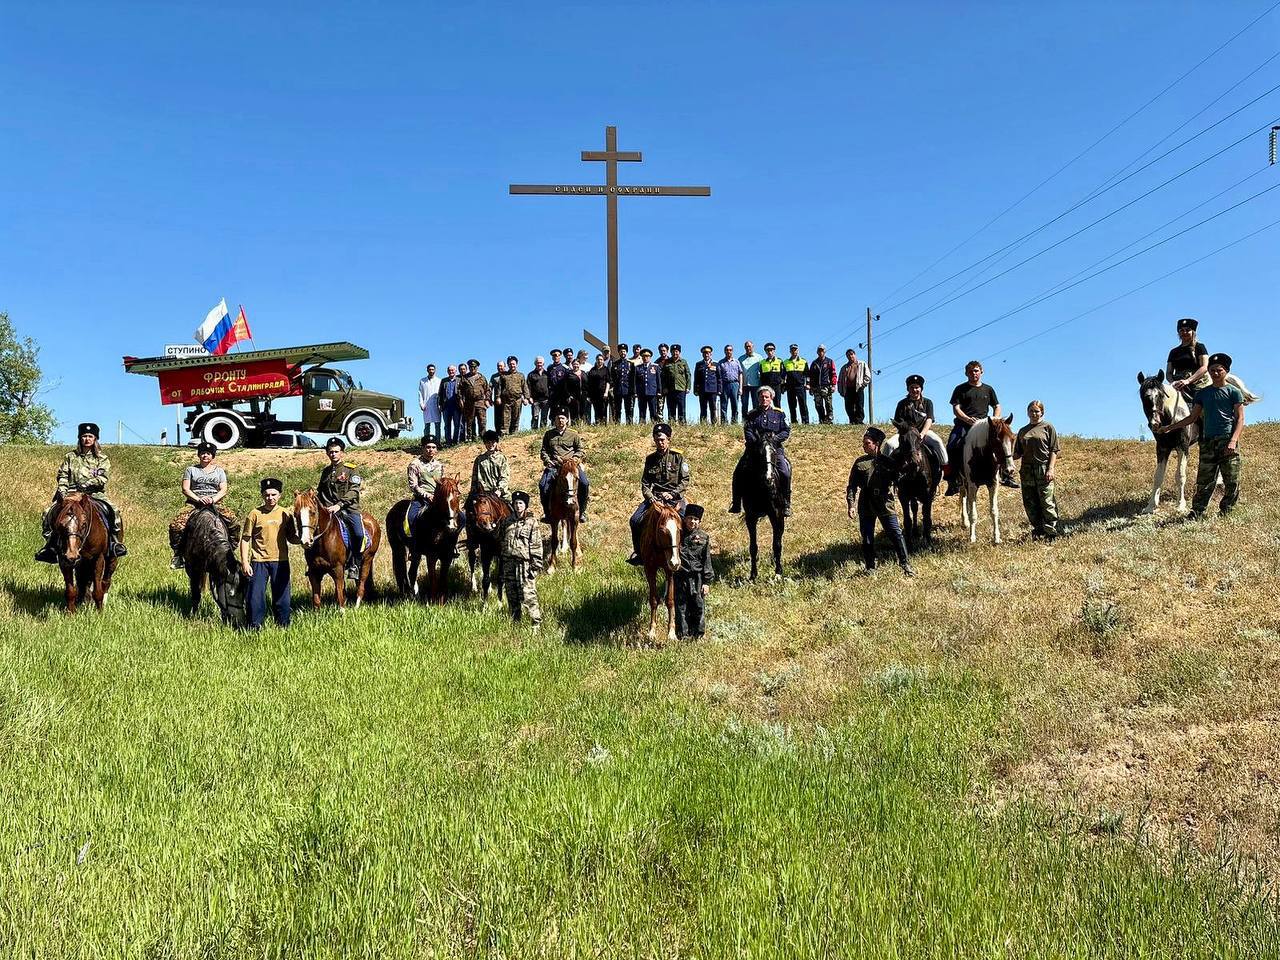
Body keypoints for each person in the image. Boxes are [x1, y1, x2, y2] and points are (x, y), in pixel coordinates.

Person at [1159, 353, 1245, 518]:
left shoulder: (1234, 392)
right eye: (1212, 370)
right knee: (1204, 481)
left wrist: (1233, 440)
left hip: (1227, 440)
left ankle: (1226, 510)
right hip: (1207, 442)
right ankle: (1197, 511)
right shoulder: (1202, 394)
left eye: (1219, 370)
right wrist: (1169, 427)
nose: (1215, 373)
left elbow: (1240, 419)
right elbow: (1192, 418)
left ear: (1226, 371)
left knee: (1232, 479)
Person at [36, 422, 127, 562]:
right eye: (84, 436)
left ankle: (114, 542)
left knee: (114, 511)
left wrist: (88, 484)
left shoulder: (101, 458)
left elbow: (102, 477)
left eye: (90, 436)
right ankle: (50, 545)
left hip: (94, 493)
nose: (87, 439)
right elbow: (63, 475)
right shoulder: (70, 457)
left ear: (95, 439)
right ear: (80, 438)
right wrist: (62, 489)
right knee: (47, 512)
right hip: (71, 493)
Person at [846, 427, 914, 577]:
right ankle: (870, 567)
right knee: (867, 537)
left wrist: (904, 469)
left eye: (867, 443)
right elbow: (852, 486)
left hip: (885, 502)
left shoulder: (888, 462)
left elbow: (900, 480)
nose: (864, 446)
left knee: (896, 533)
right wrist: (851, 504)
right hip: (866, 502)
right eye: (863, 443)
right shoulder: (859, 463)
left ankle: (905, 564)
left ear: (876, 444)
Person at [945, 360, 1014, 495]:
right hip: (964, 425)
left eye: (976, 371)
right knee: (952, 445)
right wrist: (967, 419)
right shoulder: (960, 389)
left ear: (981, 372)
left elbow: (997, 406)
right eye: (970, 371)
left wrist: (995, 420)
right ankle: (953, 479)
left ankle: (1006, 475)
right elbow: (956, 408)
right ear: (966, 373)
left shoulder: (988, 389)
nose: (973, 373)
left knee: (1000, 443)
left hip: (984, 425)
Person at [627, 421, 691, 564]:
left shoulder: (678, 457)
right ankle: (639, 553)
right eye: (657, 440)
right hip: (655, 498)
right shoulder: (650, 459)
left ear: (669, 439)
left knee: (688, 521)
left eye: (662, 440)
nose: (660, 443)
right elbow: (645, 483)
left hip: (674, 498)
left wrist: (673, 493)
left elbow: (685, 480)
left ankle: (687, 554)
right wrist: (651, 498)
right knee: (635, 520)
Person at [169, 441, 238, 569]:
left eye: (208, 453)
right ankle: (178, 555)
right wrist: (198, 499)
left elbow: (223, 489)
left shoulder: (220, 471)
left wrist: (213, 499)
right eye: (202, 453)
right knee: (176, 525)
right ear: (198, 455)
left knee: (233, 522)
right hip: (194, 503)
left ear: (213, 456)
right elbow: (185, 489)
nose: (205, 455)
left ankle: (231, 551)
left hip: (215, 503)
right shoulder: (191, 470)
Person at [240, 477, 298, 629]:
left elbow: (292, 537)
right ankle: (254, 627)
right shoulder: (254, 514)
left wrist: (304, 541)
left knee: (282, 597)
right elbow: (245, 539)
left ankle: (283, 626)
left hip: (280, 561)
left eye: (273, 494)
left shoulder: (286, 514)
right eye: (266, 495)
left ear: (280, 495)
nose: (270, 498)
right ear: (262, 495)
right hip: (258, 562)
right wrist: (245, 562)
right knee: (255, 598)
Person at [729, 387, 792, 517]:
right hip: (754, 450)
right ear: (758, 398)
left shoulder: (779, 413)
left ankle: (786, 503)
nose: (764, 399)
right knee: (738, 472)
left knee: (785, 472)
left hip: (774, 450)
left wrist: (774, 440)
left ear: (771, 398)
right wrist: (758, 443)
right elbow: (748, 431)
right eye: (762, 397)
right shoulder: (751, 414)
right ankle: (736, 503)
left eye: (766, 397)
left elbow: (786, 431)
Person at [318, 437, 366, 580]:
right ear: (327, 453)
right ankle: (314, 564)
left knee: (359, 534)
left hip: (348, 509)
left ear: (342, 453)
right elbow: (320, 492)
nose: (333, 454)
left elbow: (354, 490)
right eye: (331, 452)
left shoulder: (351, 469)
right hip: (329, 511)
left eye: (336, 451)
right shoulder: (326, 472)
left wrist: (339, 505)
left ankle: (355, 564)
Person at [1014, 400, 1061, 539]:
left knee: (1047, 501)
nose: (1034, 414)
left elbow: (1054, 450)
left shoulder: (1048, 427)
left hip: (1043, 468)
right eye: (1031, 411)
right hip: (1027, 470)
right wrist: (1004, 457)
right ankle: (1039, 530)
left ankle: (1051, 531)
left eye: (1037, 411)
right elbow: (1018, 453)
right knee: (1030, 502)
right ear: (1027, 412)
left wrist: (1050, 469)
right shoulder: (1023, 431)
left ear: (1042, 412)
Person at [883, 375, 948, 471]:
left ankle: (946, 469)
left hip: (924, 433)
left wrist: (922, 434)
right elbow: (899, 422)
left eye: (917, 387)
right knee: (889, 444)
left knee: (937, 441)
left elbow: (929, 419)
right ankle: (883, 471)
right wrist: (908, 432)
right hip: (905, 435)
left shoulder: (928, 402)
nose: (914, 390)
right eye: (912, 387)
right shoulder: (901, 404)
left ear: (921, 389)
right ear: (908, 389)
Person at [499, 491, 543, 627]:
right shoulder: (507, 521)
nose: (518, 506)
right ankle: (515, 621)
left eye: (521, 503)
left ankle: (535, 623)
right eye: (516, 503)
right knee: (511, 594)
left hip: (524, 564)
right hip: (509, 563)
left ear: (525, 505)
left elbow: (536, 544)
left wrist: (536, 564)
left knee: (528, 594)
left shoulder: (531, 522)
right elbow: (501, 540)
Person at [539, 410, 590, 522]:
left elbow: (580, 449)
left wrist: (574, 459)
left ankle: (582, 511)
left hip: (571, 466)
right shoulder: (549, 434)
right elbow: (544, 451)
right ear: (554, 420)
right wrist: (548, 461)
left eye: (562, 418)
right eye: (558, 418)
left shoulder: (573, 434)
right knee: (543, 485)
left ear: (567, 420)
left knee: (584, 483)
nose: (560, 420)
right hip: (555, 465)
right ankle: (547, 513)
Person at [675, 504, 715, 639]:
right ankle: (683, 635)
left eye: (696, 519)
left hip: (697, 577)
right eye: (690, 518)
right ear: (685, 519)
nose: (692, 521)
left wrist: (707, 582)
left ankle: (698, 635)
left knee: (698, 605)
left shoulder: (704, 537)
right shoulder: (678, 535)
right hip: (681, 577)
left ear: (699, 522)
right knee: (681, 607)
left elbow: (707, 560)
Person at [1167, 317, 1210, 403]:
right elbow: (1169, 372)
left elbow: (1204, 367)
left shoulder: (1199, 347)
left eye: (1187, 330)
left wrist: (1188, 381)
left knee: (1201, 402)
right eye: (1182, 330)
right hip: (1179, 384)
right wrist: (1173, 383)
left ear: (1193, 332)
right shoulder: (1174, 351)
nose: (1184, 332)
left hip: (1198, 383)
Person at [469, 429, 511, 503]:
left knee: (511, 506)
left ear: (496, 443)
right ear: (485, 444)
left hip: (499, 493)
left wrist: (500, 490)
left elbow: (505, 476)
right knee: (468, 506)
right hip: (483, 494)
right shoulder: (479, 459)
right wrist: (473, 491)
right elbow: (474, 478)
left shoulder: (502, 458)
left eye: (493, 442)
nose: (490, 444)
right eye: (488, 442)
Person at [408, 435, 446, 503]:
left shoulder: (439, 465)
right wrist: (427, 495)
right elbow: (413, 486)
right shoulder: (415, 464)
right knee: (413, 510)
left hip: (438, 498)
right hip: (421, 499)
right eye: (428, 447)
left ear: (436, 449)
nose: (431, 450)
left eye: (433, 447)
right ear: (423, 448)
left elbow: (443, 483)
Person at [460, 359, 491, 442]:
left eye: (474, 367)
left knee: (482, 421)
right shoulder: (464, 378)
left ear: (477, 367)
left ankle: (482, 437)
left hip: (480, 402)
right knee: (470, 422)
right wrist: (461, 401)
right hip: (469, 403)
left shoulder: (482, 378)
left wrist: (487, 399)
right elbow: (460, 391)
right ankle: (471, 438)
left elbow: (487, 390)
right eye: (471, 367)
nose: (472, 368)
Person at [838, 348, 870, 425]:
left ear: (855, 354)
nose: (850, 356)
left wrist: (863, 385)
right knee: (848, 406)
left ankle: (859, 421)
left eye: (851, 354)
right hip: (848, 389)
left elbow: (867, 376)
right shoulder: (844, 367)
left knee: (859, 405)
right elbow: (840, 380)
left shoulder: (862, 364)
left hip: (858, 387)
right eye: (848, 355)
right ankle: (852, 421)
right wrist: (841, 390)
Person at [498, 356, 528, 434]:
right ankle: (504, 433)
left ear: (516, 364)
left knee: (516, 417)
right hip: (506, 400)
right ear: (508, 365)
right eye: (510, 364)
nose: (512, 365)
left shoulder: (521, 375)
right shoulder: (503, 375)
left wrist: (526, 398)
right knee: (505, 417)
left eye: (513, 364)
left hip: (517, 399)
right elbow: (499, 387)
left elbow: (524, 387)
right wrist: (498, 397)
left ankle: (514, 433)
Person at [693, 345, 722, 424]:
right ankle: (703, 424)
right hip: (702, 390)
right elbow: (696, 378)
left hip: (713, 390)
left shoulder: (716, 364)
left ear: (711, 354)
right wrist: (695, 390)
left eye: (708, 353)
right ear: (702, 354)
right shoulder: (699, 364)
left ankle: (714, 425)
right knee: (703, 408)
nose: (706, 354)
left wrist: (719, 389)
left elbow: (719, 378)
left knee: (713, 408)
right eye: (705, 353)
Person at [782, 343, 810, 425]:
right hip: (790, 386)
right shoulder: (785, 362)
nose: (794, 351)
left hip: (800, 386)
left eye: (795, 349)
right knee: (792, 405)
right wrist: (783, 386)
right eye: (792, 350)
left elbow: (807, 374)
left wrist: (808, 384)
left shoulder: (803, 361)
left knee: (803, 404)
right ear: (790, 351)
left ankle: (805, 421)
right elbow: (783, 376)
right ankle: (794, 421)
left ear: (798, 351)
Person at [808, 345, 836, 424]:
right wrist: (810, 387)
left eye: (822, 350)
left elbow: (833, 374)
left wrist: (833, 385)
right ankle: (822, 420)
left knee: (828, 404)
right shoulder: (814, 363)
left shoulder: (829, 361)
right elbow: (811, 376)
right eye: (819, 350)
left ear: (825, 351)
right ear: (817, 352)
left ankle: (829, 420)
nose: (821, 352)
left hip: (827, 386)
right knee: (818, 405)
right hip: (816, 387)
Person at [663, 344, 691, 423]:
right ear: (671, 352)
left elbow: (688, 375)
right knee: (671, 408)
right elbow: (663, 376)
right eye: (673, 351)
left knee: (681, 408)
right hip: (670, 389)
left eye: (676, 351)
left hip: (681, 389)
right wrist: (664, 387)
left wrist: (688, 387)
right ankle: (671, 424)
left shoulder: (683, 362)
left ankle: (682, 424)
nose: (675, 353)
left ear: (679, 352)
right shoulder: (667, 362)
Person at [552, 357, 585, 422]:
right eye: (574, 364)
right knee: (574, 413)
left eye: (577, 364)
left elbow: (587, 384)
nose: (576, 366)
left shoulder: (583, 373)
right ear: (572, 365)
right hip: (573, 396)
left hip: (583, 396)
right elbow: (565, 386)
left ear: (579, 365)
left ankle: (583, 426)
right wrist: (568, 395)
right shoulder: (568, 374)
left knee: (583, 412)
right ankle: (574, 425)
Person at [438, 364, 464, 446]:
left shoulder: (460, 380)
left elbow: (463, 393)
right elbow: (440, 393)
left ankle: (455, 442)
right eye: (449, 370)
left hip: (456, 406)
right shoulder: (444, 381)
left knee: (457, 425)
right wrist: (440, 404)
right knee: (447, 425)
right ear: (447, 371)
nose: (451, 372)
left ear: (455, 371)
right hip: (446, 407)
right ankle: (448, 442)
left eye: (452, 370)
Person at [611, 343, 635, 424]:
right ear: (619, 352)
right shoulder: (615, 364)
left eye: (624, 351)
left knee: (628, 409)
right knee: (617, 409)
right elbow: (612, 377)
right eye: (621, 351)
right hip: (618, 390)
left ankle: (629, 424)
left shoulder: (631, 364)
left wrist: (633, 390)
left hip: (628, 390)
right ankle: (617, 424)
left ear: (626, 352)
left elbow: (633, 378)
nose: (622, 353)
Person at [418, 363, 443, 443]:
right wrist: (421, 404)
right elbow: (420, 393)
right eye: (430, 369)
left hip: (436, 405)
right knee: (427, 425)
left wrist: (440, 404)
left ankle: (437, 442)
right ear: (427, 370)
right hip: (427, 405)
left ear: (435, 370)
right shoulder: (423, 381)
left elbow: (441, 394)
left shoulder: (439, 380)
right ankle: (426, 442)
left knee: (437, 425)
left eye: (432, 369)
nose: (431, 371)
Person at [635, 348, 662, 422]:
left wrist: (659, 391)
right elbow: (635, 381)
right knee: (642, 411)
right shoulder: (638, 367)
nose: (645, 358)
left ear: (650, 357)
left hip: (652, 392)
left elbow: (658, 380)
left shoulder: (655, 367)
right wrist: (635, 392)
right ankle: (642, 424)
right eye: (644, 356)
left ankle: (654, 424)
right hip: (641, 393)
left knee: (653, 410)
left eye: (647, 356)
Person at [718, 343, 743, 425]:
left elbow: (740, 374)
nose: (729, 351)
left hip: (735, 384)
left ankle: (734, 422)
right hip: (724, 385)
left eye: (730, 350)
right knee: (723, 405)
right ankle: (724, 423)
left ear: (732, 351)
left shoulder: (736, 362)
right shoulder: (721, 362)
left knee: (735, 404)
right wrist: (719, 388)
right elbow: (718, 376)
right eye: (727, 350)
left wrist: (740, 388)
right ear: (724, 351)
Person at [527, 356, 551, 431]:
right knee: (535, 416)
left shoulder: (547, 374)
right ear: (535, 363)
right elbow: (528, 387)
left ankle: (542, 431)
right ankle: (534, 432)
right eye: (537, 363)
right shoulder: (531, 374)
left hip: (546, 399)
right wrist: (529, 397)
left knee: (544, 417)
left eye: (540, 363)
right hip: (535, 400)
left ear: (543, 364)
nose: (539, 364)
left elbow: (550, 385)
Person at [587, 353, 611, 424]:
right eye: (598, 359)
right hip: (594, 394)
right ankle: (597, 424)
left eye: (601, 359)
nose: (599, 361)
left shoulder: (606, 369)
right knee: (596, 410)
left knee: (603, 410)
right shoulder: (592, 370)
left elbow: (608, 381)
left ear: (603, 361)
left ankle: (603, 424)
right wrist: (589, 395)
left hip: (603, 394)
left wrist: (606, 392)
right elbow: (589, 383)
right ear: (596, 360)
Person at [740, 340, 762, 417]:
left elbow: (761, 371)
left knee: (756, 403)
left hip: (755, 384)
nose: (748, 348)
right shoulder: (741, 359)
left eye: (749, 346)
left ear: (753, 347)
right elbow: (739, 373)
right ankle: (745, 420)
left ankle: (756, 419)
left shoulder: (759, 358)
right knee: (744, 404)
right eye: (746, 347)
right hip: (744, 385)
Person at [490, 361, 507, 434]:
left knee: (506, 417)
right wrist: (489, 399)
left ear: (505, 366)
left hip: (508, 400)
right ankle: (498, 434)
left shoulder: (508, 374)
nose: (500, 367)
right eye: (498, 366)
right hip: (497, 401)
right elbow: (490, 388)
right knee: (497, 418)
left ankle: (509, 434)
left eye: (501, 366)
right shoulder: (494, 376)